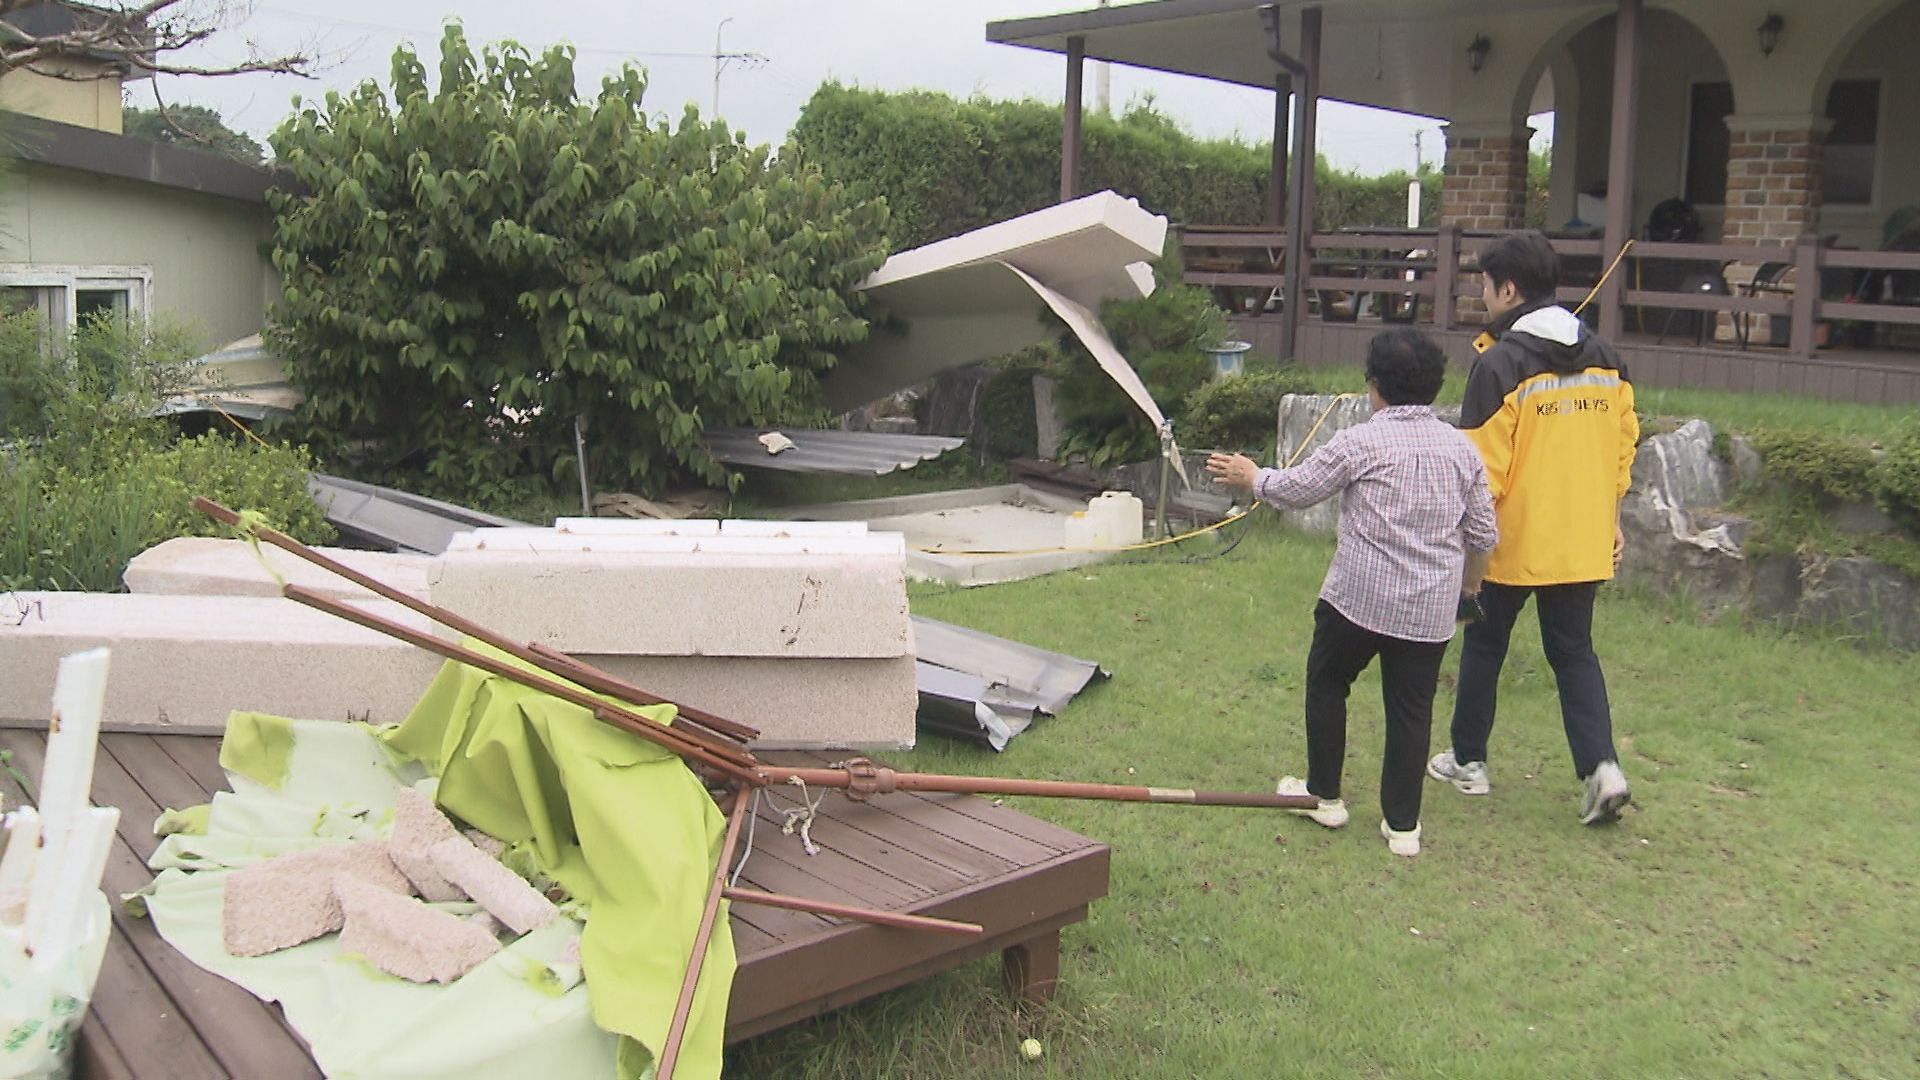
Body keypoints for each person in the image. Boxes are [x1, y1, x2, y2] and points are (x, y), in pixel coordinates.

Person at [1207, 328, 1496, 857]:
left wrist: (1252, 476)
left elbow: (1298, 490)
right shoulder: (1463, 450)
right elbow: (1483, 533)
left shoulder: (1360, 440)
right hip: (1429, 609)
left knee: (1327, 681)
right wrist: (1471, 587)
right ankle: (1403, 827)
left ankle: (1324, 796)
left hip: (1357, 600)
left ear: (1375, 386)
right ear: (1434, 388)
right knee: (1412, 709)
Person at [1426, 230, 1640, 825]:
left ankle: (1468, 760)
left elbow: (1478, 471)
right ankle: (1603, 768)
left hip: (1509, 543)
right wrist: (1613, 521)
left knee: (1485, 644)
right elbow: (1623, 451)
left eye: (1487, 287)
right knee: (1574, 652)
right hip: (1580, 540)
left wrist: (1460, 541)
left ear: (1509, 289)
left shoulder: (1499, 365)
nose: (1485, 297)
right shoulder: (1609, 359)